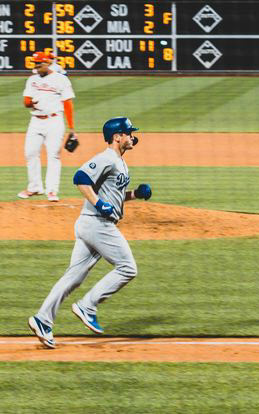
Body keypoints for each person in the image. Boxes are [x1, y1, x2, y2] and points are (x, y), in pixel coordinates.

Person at [28, 117, 152, 349]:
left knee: (73, 277)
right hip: (98, 224)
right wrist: (98, 203)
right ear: (117, 137)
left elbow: (113, 197)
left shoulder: (119, 161)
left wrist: (135, 194)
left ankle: (42, 320)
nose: (132, 136)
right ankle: (87, 306)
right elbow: (80, 178)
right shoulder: (107, 158)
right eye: (128, 133)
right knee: (128, 268)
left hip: (91, 224)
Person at [18, 50, 76, 202]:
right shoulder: (32, 79)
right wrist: (30, 103)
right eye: (35, 64)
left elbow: (68, 103)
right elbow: (26, 101)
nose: (37, 66)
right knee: (30, 153)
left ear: (48, 63)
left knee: (53, 155)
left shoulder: (61, 79)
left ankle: (51, 191)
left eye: (39, 64)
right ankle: (34, 187)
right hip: (35, 121)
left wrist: (72, 129)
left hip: (54, 121)